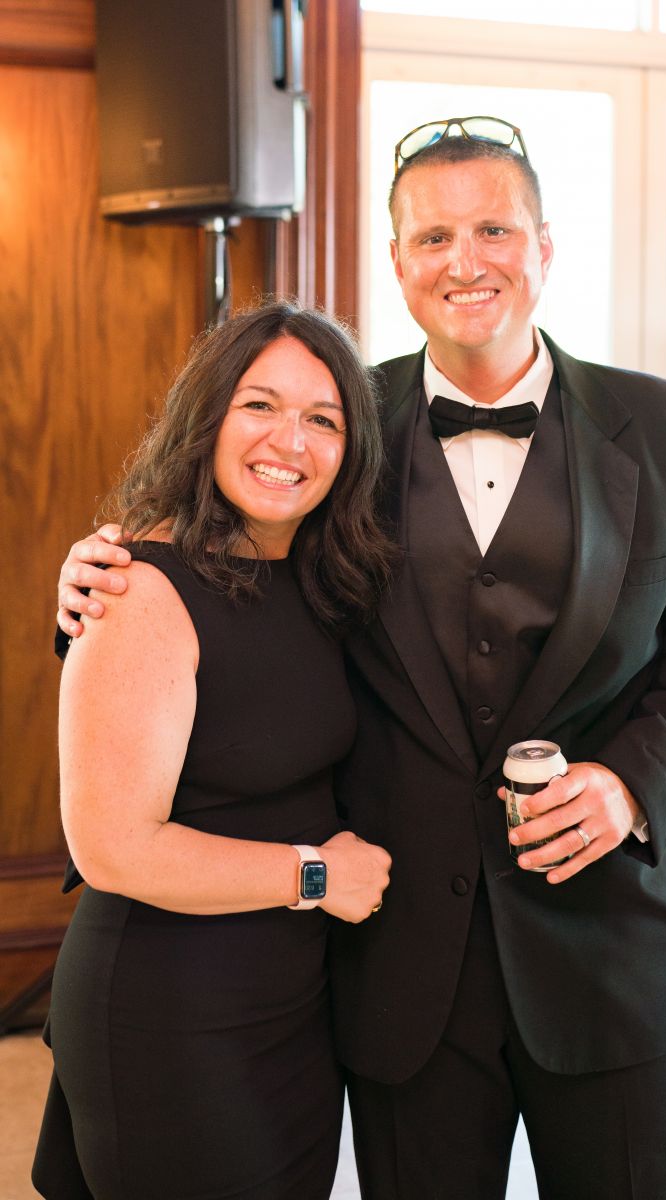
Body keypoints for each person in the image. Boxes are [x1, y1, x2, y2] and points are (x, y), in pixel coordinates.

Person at [56, 118, 666, 1200]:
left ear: (543, 247)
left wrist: (631, 784)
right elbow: (220, 587)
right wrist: (96, 584)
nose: (464, 260)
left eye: (494, 229)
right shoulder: (332, 426)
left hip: (608, 957)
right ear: (397, 263)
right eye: (433, 237)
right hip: (394, 968)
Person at [34, 300, 393, 1200]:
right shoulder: (137, 588)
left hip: (290, 1000)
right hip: (171, 1009)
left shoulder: (315, 574)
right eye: (259, 405)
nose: (290, 441)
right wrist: (318, 876)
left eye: (323, 419)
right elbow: (114, 848)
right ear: (207, 417)